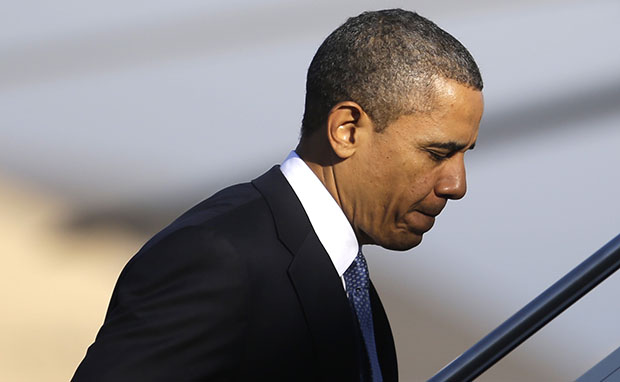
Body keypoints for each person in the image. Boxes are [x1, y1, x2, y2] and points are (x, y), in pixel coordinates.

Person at [73, 8, 483, 382]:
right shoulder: (218, 258)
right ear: (346, 130)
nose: (456, 185)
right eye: (438, 153)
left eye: (464, 155)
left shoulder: (352, 290)